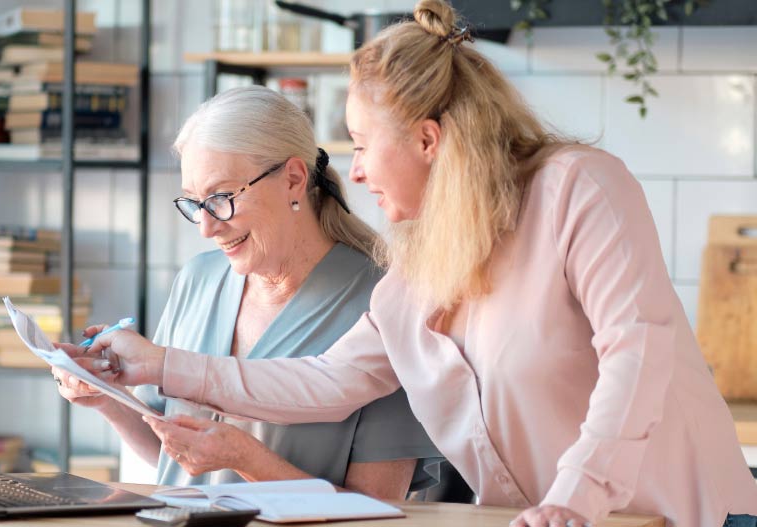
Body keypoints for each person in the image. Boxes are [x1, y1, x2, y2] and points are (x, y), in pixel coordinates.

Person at [72, 2, 757, 526]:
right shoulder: (413, 275)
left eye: (364, 144)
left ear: (428, 139)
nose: (356, 170)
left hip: (679, 514)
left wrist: (573, 500)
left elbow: (636, 357)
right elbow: (324, 382)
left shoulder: (579, 189)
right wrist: (157, 365)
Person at [51, 85, 442, 499]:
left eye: (220, 198)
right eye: (194, 203)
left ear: (293, 179)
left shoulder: (383, 300)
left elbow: (376, 510)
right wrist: (108, 398)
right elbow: (177, 461)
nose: (206, 227)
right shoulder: (197, 280)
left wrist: (246, 459)